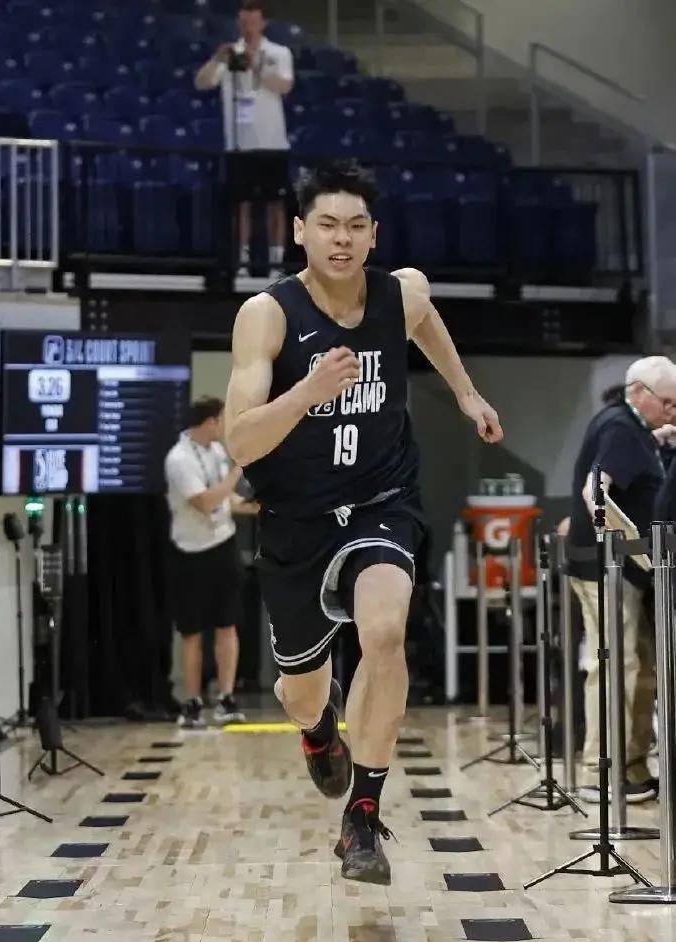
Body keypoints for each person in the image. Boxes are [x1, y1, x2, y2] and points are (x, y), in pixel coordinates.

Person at [224, 160, 503, 885]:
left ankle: (363, 816)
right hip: (296, 517)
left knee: (383, 633)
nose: (341, 239)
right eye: (327, 225)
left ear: (374, 234)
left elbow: (426, 321)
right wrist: (307, 393)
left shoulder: (401, 292)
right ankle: (319, 729)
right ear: (300, 231)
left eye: (355, 226)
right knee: (299, 693)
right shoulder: (269, 314)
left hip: (382, 499)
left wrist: (466, 393)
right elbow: (240, 442)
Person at [567, 355, 676, 803]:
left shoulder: (634, 429)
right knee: (616, 663)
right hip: (604, 567)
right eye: (667, 403)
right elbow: (595, 489)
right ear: (637, 393)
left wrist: (659, 439)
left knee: (641, 666)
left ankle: (631, 765)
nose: (672, 411)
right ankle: (598, 771)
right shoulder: (619, 427)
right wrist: (615, 533)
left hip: (627, 568)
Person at [165, 396, 254, 728]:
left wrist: (255, 506)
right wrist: (237, 470)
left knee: (227, 624)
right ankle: (192, 701)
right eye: (222, 419)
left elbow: (226, 500)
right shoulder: (179, 458)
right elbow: (204, 502)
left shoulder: (215, 452)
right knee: (192, 631)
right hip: (190, 553)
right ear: (210, 422)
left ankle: (226, 697)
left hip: (222, 546)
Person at [195, 0, 294, 278]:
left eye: (252, 22)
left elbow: (285, 85)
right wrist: (217, 59)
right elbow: (202, 82)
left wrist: (257, 66)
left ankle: (276, 263)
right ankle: (242, 260)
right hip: (239, 143)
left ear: (263, 23)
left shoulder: (278, 52)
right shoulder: (231, 54)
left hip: (272, 142)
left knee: (275, 204)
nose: (248, 27)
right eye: (243, 22)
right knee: (242, 204)